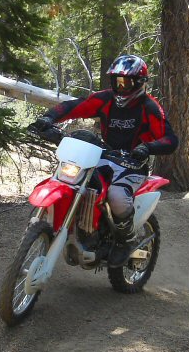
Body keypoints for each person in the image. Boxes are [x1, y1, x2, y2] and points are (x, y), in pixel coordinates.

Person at [30, 54, 179, 267]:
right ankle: (79, 228)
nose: (119, 86)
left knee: (116, 196)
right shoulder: (106, 98)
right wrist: (48, 118)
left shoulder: (149, 107)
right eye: (116, 81)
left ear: (138, 82)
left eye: (125, 82)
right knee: (75, 178)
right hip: (104, 156)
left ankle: (125, 241)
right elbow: (76, 106)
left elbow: (170, 139)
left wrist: (147, 148)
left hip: (133, 164)